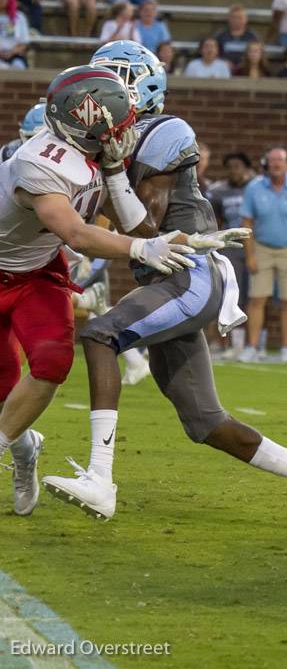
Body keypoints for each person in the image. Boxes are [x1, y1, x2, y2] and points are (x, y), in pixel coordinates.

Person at [42, 42, 287, 537]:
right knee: (206, 422)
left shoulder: (164, 131)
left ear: (141, 85)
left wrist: (108, 172)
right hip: (164, 280)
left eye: (110, 80)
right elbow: (98, 226)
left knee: (100, 336)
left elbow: (147, 229)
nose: (97, 94)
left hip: (189, 275)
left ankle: (101, 480)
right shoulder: (114, 144)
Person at [0, 65, 192, 518]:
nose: (125, 128)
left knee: (52, 362)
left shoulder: (85, 154)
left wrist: (183, 236)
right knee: (5, 388)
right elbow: (77, 233)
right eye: (117, 120)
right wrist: (143, 246)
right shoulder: (38, 161)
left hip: (36, 274)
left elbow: (132, 219)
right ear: (86, 123)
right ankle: (25, 453)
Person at [240, 146, 287, 364]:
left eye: (280, 160)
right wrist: (250, 254)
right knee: (256, 299)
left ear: (286, 163)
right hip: (262, 246)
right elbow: (246, 221)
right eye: (272, 161)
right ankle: (252, 346)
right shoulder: (254, 188)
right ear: (267, 163)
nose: (276, 164)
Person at [206, 151, 256, 359]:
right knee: (231, 295)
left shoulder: (256, 187)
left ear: (246, 167)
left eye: (238, 166)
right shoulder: (219, 191)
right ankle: (224, 342)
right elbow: (215, 220)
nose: (234, 171)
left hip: (255, 243)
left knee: (251, 297)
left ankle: (244, 344)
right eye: (231, 167)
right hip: (232, 246)